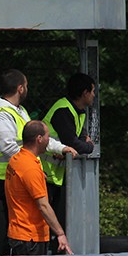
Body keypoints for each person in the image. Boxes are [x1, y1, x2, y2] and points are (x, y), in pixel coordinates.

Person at [0, 69, 74, 254]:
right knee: (16, 229)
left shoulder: (19, 111)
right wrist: (30, 164)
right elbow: (9, 148)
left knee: (29, 222)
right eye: (27, 86)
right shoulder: (1, 115)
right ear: (20, 88)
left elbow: (35, 138)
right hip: (8, 178)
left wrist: (61, 148)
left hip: (22, 175)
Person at [42, 72, 97, 244]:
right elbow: (75, 143)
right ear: (85, 93)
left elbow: (80, 140)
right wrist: (89, 146)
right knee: (46, 219)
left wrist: (82, 144)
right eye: (93, 91)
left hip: (57, 174)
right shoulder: (63, 110)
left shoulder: (78, 111)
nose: (94, 95)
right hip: (44, 172)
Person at [4, 120, 73, 255]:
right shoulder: (30, 168)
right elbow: (43, 206)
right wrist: (60, 234)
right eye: (48, 136)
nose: (49, 140)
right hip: (30, 238)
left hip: (19, 234)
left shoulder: (16, 159)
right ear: (39, 139)